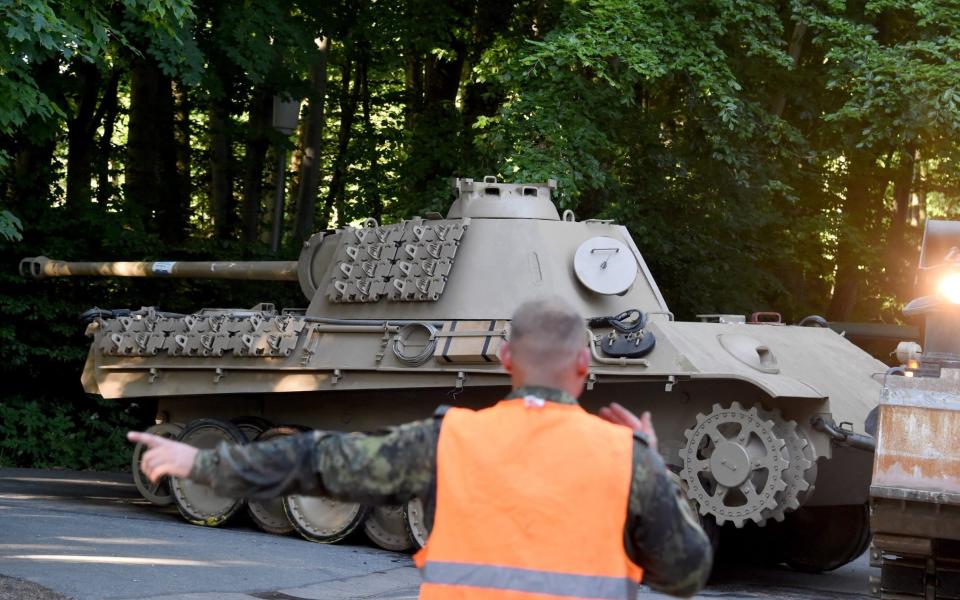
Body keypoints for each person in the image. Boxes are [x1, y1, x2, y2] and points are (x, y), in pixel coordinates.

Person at [130, 296, 712, 598]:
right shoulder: (625, 456)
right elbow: (685, 574)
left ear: (505, 359)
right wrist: (655, 466)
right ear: (587, 364)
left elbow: (321, 461)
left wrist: (204, 461)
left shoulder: (450, 439)